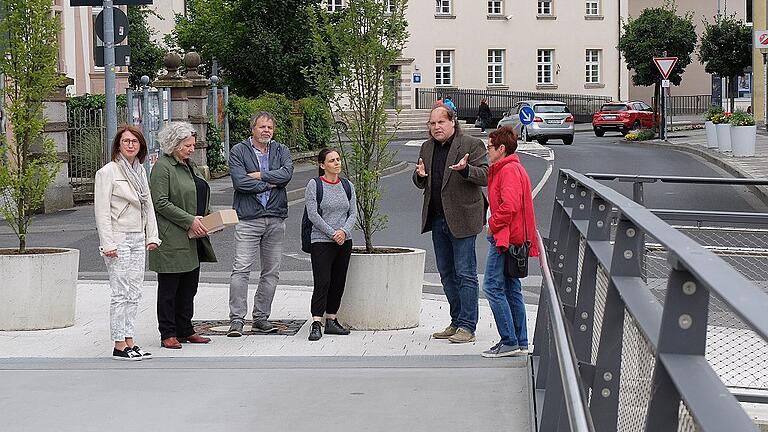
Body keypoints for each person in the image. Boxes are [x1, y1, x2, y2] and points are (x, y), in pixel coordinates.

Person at [413, 106, 489, 343]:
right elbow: (420, 180)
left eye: (441, 122)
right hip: (438, 219)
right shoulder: (426, 147)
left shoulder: (471, 144)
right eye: (432, 123)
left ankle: (468, 326)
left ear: (453, 123)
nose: (436, 127)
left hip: (463, 218)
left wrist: (466, 170)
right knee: (446, 274)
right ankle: (456, 321)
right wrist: (420, 177)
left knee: (465, 273)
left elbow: (485, 175)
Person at [95, 125, 161, 360]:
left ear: (141, 145)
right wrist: (108, 243)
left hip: (137, 236)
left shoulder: (141, 171)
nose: (131, 145)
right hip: (118, 236)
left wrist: (152, 235)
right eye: (126, 141)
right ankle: (118, 343)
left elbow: (148, 205)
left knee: (134, 291)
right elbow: (101, 212)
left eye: (135, 141)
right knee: (120, 292)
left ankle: (130, 340)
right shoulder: (108, 172)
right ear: (118, 145)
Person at [149, 122, 217, 349]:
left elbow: (199, 192)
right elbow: (160, 202)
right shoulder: (163, 167)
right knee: (170, 288)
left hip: (194, 235)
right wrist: (189, 220)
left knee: (189, 286)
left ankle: (185, 329)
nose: (191, 149)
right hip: (172, 237)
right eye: (187, 145)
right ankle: (168, 332)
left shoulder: (190, 165)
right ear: (174, 145)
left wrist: (212, 217)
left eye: (192, 145)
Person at [226, 112, 294, 337]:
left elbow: (286, 175)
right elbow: (240, 182)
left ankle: (261, 318)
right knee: (241, 270)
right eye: (262, 126)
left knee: (271, 272)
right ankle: (236, 319)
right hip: (248, 218)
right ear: (252, 129)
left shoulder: (281, 150)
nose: (266, 130)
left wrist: (260, 175)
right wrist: (270, 183)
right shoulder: (239, 151)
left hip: (275, 217)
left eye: (270, 127)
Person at [481, 126, 540, 358]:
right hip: (513, 237)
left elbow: (509, 206)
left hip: (506, 238)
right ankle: (520, 341)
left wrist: (492, 225)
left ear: (501, 148)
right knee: (511, 288)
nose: (487, 152)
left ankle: (509, 341)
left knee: (492, 288)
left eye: (490, 147)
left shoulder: (508, 171)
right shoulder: (510, 168)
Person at [304, 148, 357, 341]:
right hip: (321, 241)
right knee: (322, 281)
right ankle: (317, 321)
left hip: (344, 240)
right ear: (322, 165)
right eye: (332, 160)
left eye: (338, 159)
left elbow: (353, 213)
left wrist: (343, 231)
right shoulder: (314, 185)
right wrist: (332, 233)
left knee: (338, 281)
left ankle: (332, 319)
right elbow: (313, 214)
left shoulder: (347, 185)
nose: (337, 163)